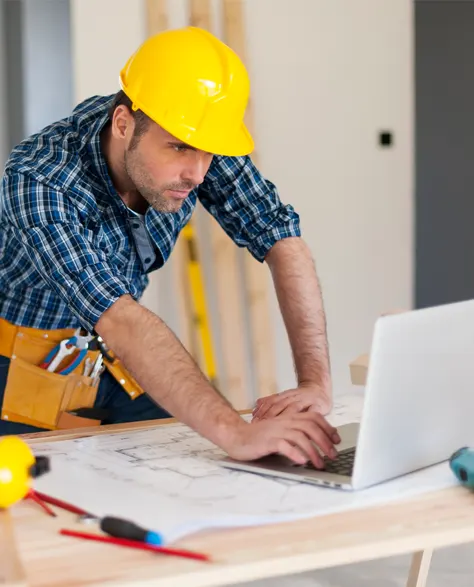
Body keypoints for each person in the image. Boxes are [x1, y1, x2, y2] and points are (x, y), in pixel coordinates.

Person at [0, 26, 339, 468]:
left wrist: (315, 383)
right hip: (18, 368)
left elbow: (282, 237)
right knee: (32, 511)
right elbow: (119, 317)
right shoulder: (41, 181)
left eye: (208, 154)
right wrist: (235, 431)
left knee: (197, 473)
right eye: (179, 149)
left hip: (105, 358)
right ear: (123, 124)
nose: (197, 174)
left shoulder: (192, 137)